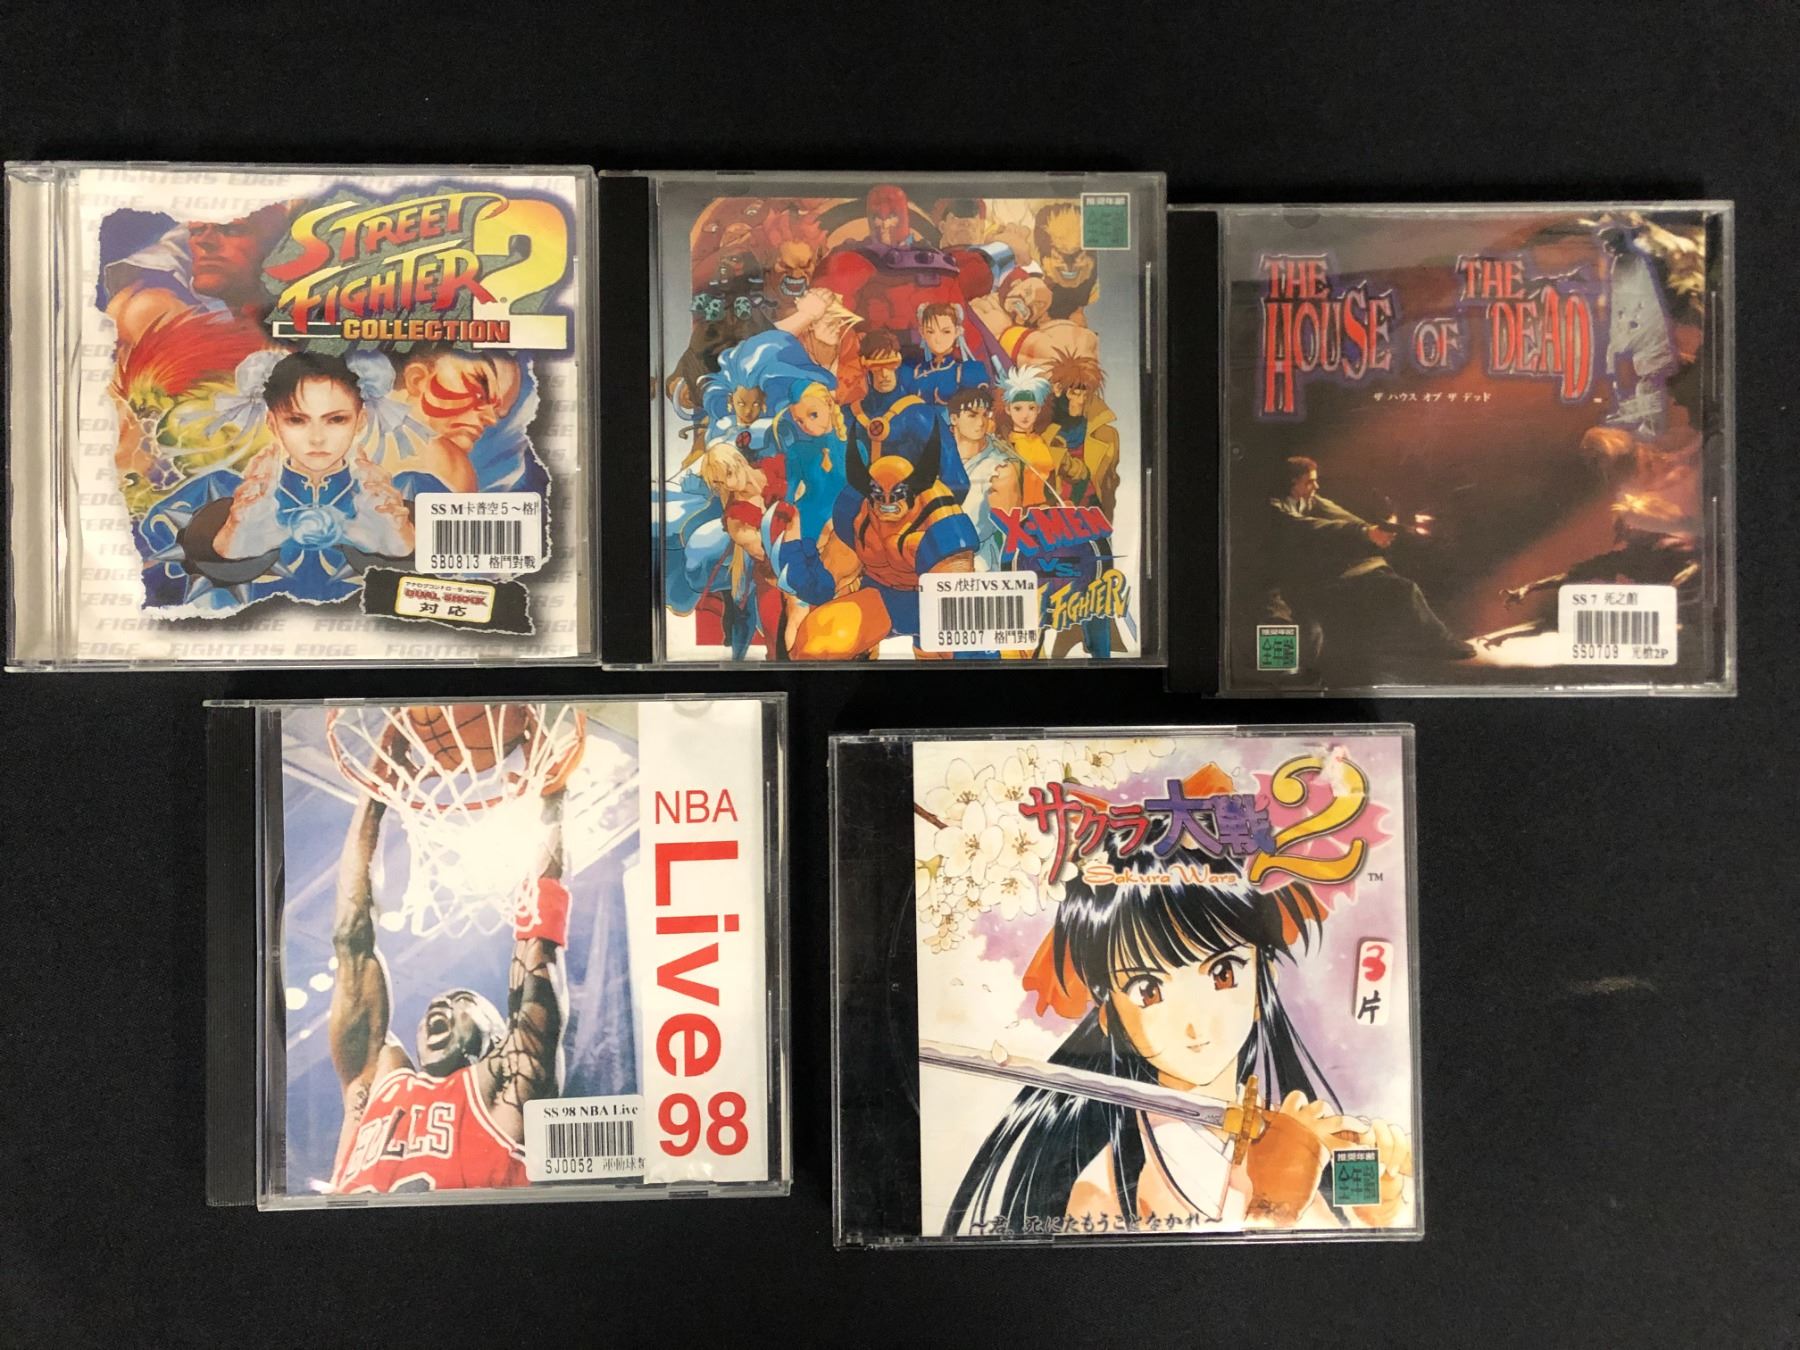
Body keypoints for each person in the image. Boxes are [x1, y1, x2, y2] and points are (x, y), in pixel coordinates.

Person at [946, 839, 1413, 1234]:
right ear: (1109, 1015)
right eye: (1147, 989)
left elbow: (1348, 1266)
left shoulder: (1285, 1132)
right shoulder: (1106, 1185)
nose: (1194, 1022)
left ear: (1261, 984)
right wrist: (1272, 1202)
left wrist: (1374, 1201)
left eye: (1224, 972)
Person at [327, 734, 571, 1194]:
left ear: (497, 1037)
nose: (438, 1006)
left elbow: (538, 956)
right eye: (436, 1005)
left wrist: (552, 801)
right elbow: (350, 942)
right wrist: (373, 798)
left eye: (461, 1001)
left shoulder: (505, 1090)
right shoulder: (377, 1083)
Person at [151, 350, 443, 607]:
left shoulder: (409, 494)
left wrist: (406, 546)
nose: (317, 438)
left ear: (360, 421)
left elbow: (466, 601)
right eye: (296, 420)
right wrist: (223, 544)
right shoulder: (218, 493)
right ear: (272, 423)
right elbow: (145, 586)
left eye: (336, 419)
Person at [1265, 456, 1473, 661]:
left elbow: (1342, 516)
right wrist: (1365, 532)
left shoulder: (1308, 499)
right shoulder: (1274, 508)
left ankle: (1441, 642)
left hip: (1308, 580)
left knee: (1400, 588)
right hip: (1278, 589)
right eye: (1309, 482)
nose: (1316, 486)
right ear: (1292, 483)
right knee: (1292, 642)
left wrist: (1374, 530)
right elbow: (1310, 527)